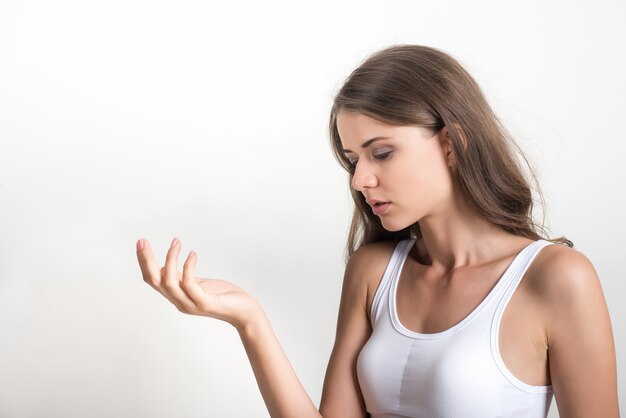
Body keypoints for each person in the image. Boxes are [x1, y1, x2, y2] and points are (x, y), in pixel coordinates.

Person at [135, 44, 619, 417]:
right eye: (352, 160)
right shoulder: (374, 270)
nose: (359, 179)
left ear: (451, 144)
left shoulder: (556, 278)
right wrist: (249, 320)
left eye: (381, 153)